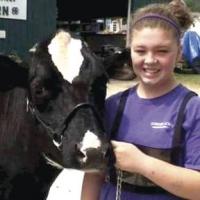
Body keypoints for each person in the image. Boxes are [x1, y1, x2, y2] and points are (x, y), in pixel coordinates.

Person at [81, 2, 200, 200]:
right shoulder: (112, 106)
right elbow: (94, 175)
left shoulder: (192, 109)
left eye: (162, 51)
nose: (150, 60)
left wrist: (142, 163)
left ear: (179, 53)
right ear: (130, 52)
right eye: (141, 50)